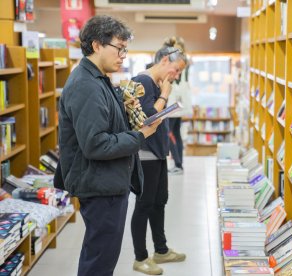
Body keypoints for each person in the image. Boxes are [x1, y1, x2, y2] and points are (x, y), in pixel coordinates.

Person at [58, 15, 160, 276]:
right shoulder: (86, 85)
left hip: (107, 182)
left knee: (100, 254)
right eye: (119, 48)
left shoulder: (98, 79)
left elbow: (105, 127)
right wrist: (141, 135)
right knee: (100, 260)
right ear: (96, 45)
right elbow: (96, 144)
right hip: (99, 185)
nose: (123, 55)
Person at [130, 43, 187, 275]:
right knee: (144, 204)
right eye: (175, 70)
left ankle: (161, 250)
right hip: (145, 154)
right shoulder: (143, 81)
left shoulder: (155, 82)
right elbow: (148, 119)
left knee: (160, 199)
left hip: (158, 152)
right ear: (164, 60)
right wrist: (165, 95)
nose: (176, 76)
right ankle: (140, 257)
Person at [164, 37, 193, 175]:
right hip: (181, 104)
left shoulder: (177, 62)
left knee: (169, 133)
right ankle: (179, 163)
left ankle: (177, 163)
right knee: (176, 133)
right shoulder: (187, 61)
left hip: (173, 103)